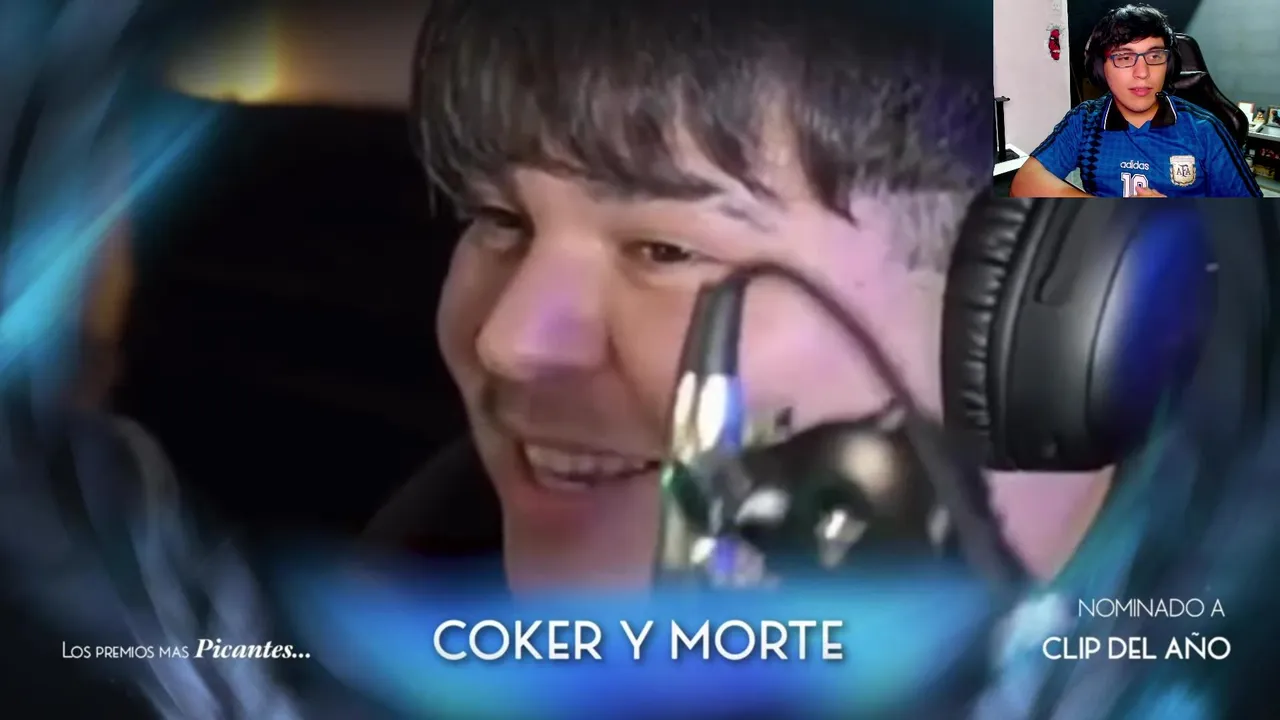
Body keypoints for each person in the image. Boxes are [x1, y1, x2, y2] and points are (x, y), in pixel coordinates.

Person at [366, 0, 1114, 593]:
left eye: (665, 252)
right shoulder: (410, 566)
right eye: (500, 221)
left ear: (1045, 318)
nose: (508, 341)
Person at [1010, 4, 1261, 198]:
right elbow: (1024, 184)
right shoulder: (1084, 121)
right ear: (1100, 68)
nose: (1142, 73)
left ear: (1169, 65)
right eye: (1124, 57)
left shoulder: (1204, 129)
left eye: (1155, 56)